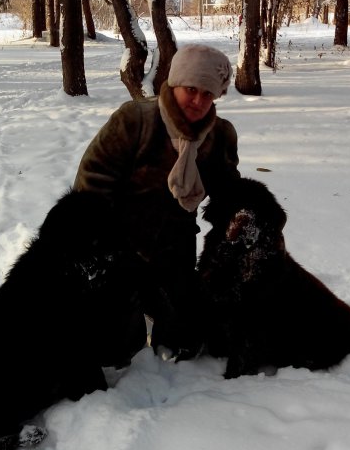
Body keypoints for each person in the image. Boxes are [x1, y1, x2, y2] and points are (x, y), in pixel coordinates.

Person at [73, 43, 240, 362]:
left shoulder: (219, 136)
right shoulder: (136, 119)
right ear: (175, 83)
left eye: (209, 94)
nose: (198, 101)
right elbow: (94, 179)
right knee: (118, 350)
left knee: (185, 339)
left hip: (175, 244)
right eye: (192, 89)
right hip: (120, 242)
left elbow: (228, 192)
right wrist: (98, 244)